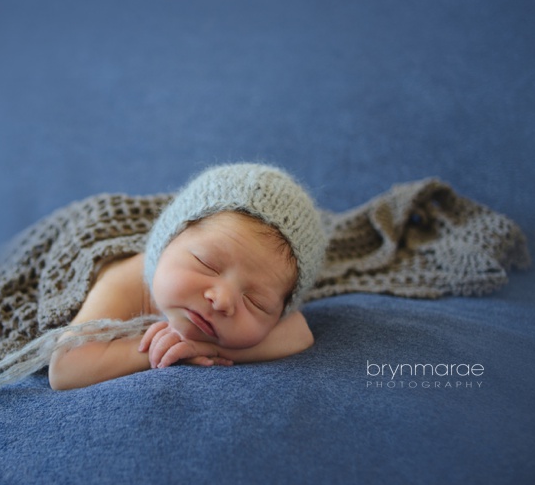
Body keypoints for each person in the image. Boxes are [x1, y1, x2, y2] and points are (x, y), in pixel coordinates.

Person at [49, 163, 328, 390]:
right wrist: (154, 351)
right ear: (168, 242)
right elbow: (65, 369)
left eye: (255, 302)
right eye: (207, 264)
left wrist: (197, 347)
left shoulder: (271, 302)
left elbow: (299, 333)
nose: (221, 300)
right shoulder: (126, 281)